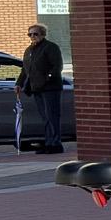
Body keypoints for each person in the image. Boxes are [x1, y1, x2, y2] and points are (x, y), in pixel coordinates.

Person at [18, 23, 65, 154]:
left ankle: (55, 144)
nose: (32, 36)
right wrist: (19, 84)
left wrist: (48, 78)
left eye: (35, 34)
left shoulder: (50, 47)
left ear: (43, 34)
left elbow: (57, 66)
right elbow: (25, 70)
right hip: (36, 88)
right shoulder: (29, 50)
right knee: (45, 117)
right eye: (30, 34)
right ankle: (48, 143)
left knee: (52, 116)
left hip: (50, 88)